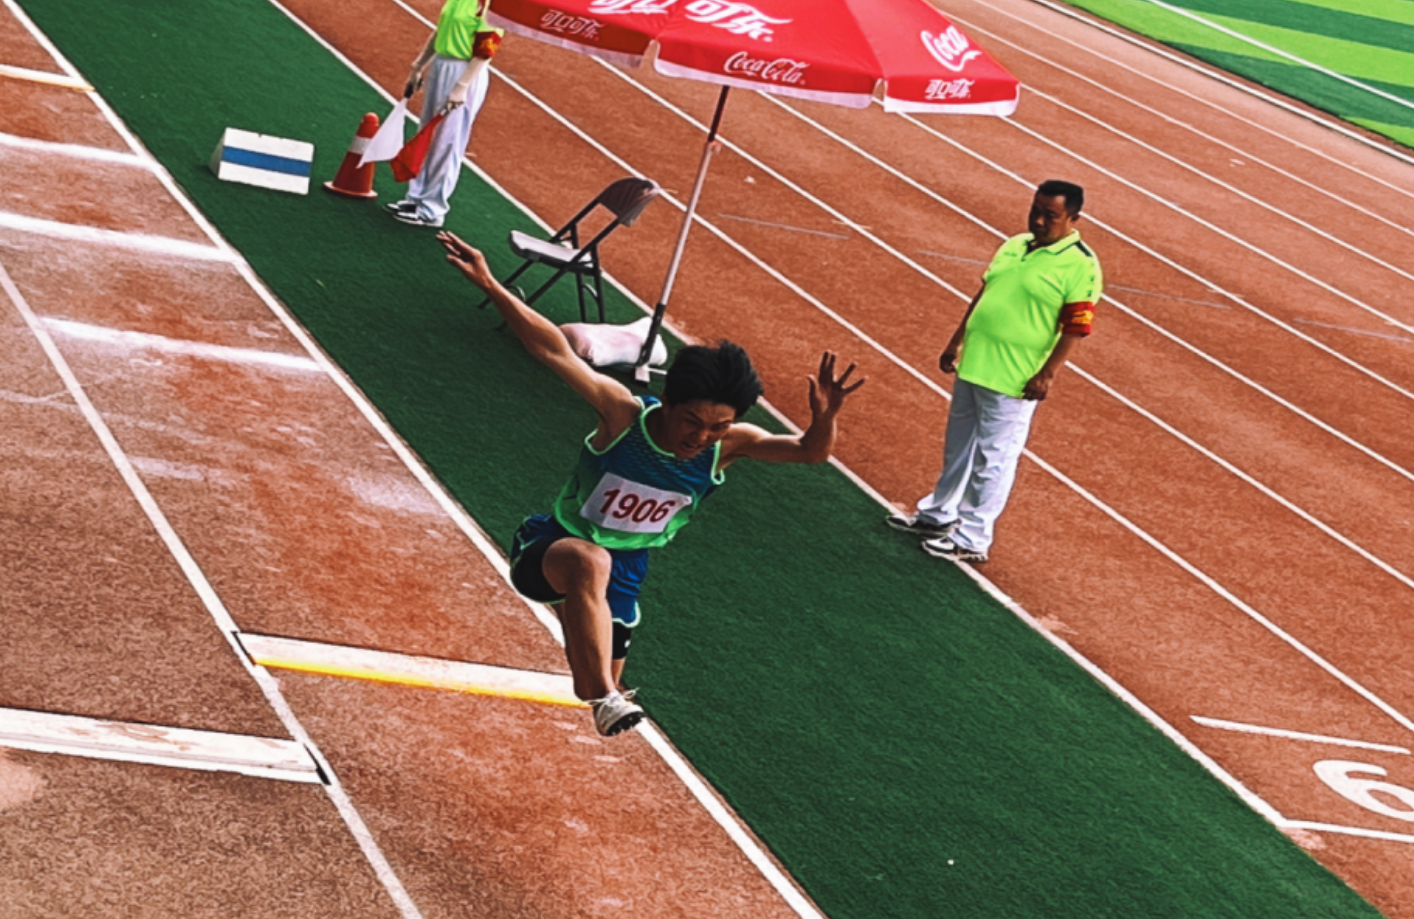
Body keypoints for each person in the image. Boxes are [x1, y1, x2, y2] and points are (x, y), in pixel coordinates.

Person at [437, 231, 864, 736]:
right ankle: (610, 697)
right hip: (552, 547)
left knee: (587, 682)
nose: (700, 437)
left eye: (717, 427)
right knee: (590, 563)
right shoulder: (623, 417)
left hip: (628, 570)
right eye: (692, 421)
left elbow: (811, 452)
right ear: (670, 401)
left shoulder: (730, 445)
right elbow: (553, 351)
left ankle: (603, 693)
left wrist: (826, 417)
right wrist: (490, 282)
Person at [885, 179, 1102, 564]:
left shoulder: (1080, 265)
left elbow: (1077, 327)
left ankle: (972, 537)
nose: (1038, 220)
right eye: (1035, 210)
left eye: (1049, 215)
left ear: (1073, 218)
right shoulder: (1015, 245)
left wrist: (1047, 373)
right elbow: (986, 294)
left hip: (1015, 378)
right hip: (975, 363)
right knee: (958, 449)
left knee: (994, 458)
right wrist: (957, 341)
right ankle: (938, 514)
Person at [385, 0, 503, 228]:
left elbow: (485, 51)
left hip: (464, 71)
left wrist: (461, 87)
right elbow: (440, 31)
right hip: (442, 65)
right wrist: (417, 66)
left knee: (447, 141)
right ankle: (415, 198)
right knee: (428, 134)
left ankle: (432, 208)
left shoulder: (490, 5)